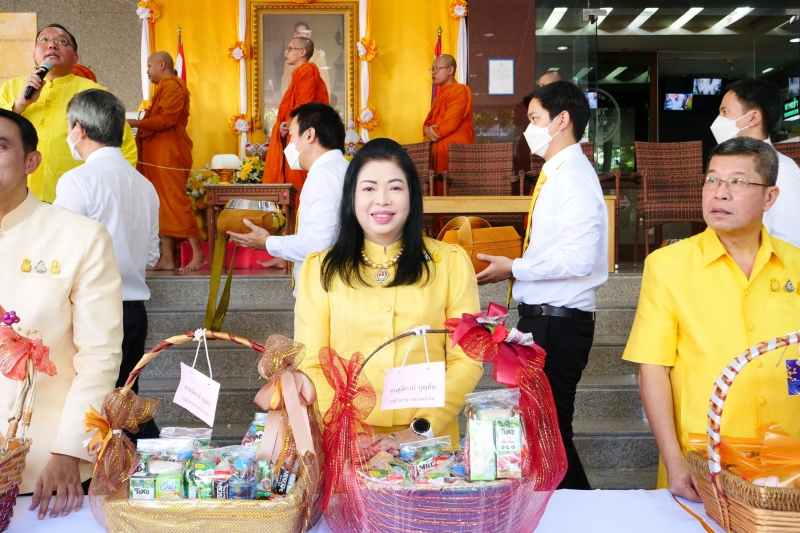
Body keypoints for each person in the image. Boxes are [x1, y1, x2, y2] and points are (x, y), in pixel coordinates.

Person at [622, 137, 800, 502]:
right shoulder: (669, 266)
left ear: (770, 197)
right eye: (712, 179)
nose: (719, 193)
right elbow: (652, 368)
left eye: (737, 182)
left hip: (788, 460)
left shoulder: (796, 265)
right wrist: (674, 460)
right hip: (703, 461)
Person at [295, 138, 483, 449]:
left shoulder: (450, 262)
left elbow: (468, 357)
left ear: (412, 196)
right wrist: (348, 433)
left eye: (395, 188)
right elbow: (311, 362)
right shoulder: (321, 268)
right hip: (349, 444)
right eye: (368, 188)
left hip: (427, 443)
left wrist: (421, 428)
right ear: (351, 197)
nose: (382, 200)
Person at [476, 81, 608, 490]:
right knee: (543, 435)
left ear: (562, 120)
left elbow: (580, 258)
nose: (527, 129)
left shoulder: (573, 178)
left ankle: (581, 514)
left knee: (551, 437)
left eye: (534, 119)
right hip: (543, 321)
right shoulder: (557, 174)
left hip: (559, 324)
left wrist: (515, 266)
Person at [0, 109, 122, 518]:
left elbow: (99, 356)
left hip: (42, 470)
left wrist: (69, 449)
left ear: (31, 162)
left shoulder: (79, 237)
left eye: (0, 146)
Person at [52, 90, 160, 439]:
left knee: (90, 408)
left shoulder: (77, 181)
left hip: (90, 310)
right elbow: (152, 256)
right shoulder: (145, 185)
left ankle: (93, 484)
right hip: (133, 311)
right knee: (123, 403)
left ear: (78, 130)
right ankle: (127, 481)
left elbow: (61, 252)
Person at [0, 23, 137, 203]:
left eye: (62, 41)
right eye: (44, 40)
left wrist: (107, 194)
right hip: (14, 199)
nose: (52, 45)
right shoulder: (13, 88)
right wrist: (19, 105)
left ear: (75, 57)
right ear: (34, 55)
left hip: (74, 200)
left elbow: (123, 148)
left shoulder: (94, 92)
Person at [227, 103, 349, 293]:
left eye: (291, 136)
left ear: (309, 135)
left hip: (322, 292)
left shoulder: (324, 175)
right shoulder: (338, 168)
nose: (289, 143)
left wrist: (267, 242)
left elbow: (318, 245)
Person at [128, 51, 206, 271]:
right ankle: (168, 258)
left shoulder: (172, 85)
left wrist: (134, 122)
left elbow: (166, 120)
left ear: (161, 64)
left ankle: (198, 254)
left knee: (175, 200)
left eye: (149, 67)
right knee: (160, 202)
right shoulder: (164, 87)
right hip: (157, 152)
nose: (147, 72)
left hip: (169, 152)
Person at [710, 79, 800, 248]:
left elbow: (790, 243)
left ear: (753, 118)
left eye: (725, 112)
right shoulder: (726, 168)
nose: (718, 120)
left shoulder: (781, 171)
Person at [263, 37, 329, 191]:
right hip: (295, 134)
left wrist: (289, 124)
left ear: (302, 52)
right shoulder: (298, 73)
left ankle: (297, 215)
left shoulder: (307, 70)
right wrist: (283, 125)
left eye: (290, 48)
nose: (286, 52)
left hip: (302, 137)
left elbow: (303, 105)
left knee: (297, 184)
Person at [422, 54, 474, 174]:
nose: (433, 73)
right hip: (437, 150)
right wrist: (426, 129)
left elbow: (449, 124)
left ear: (450, 70)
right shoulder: (440, 95)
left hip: (454, 152)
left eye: (437, 69)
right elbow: (430, 122)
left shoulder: (459, 91)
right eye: (432, 69)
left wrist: (430, 132)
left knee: (453, 188)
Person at [280, 22, 331, 97]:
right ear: (295, 35)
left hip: (313, 100)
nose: (301, 36)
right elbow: (285, 81)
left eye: (304, 33)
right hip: (294, 100)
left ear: (309, 35)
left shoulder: (318, 55)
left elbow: (325, 81)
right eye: (298, 33)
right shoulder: (290, 56)